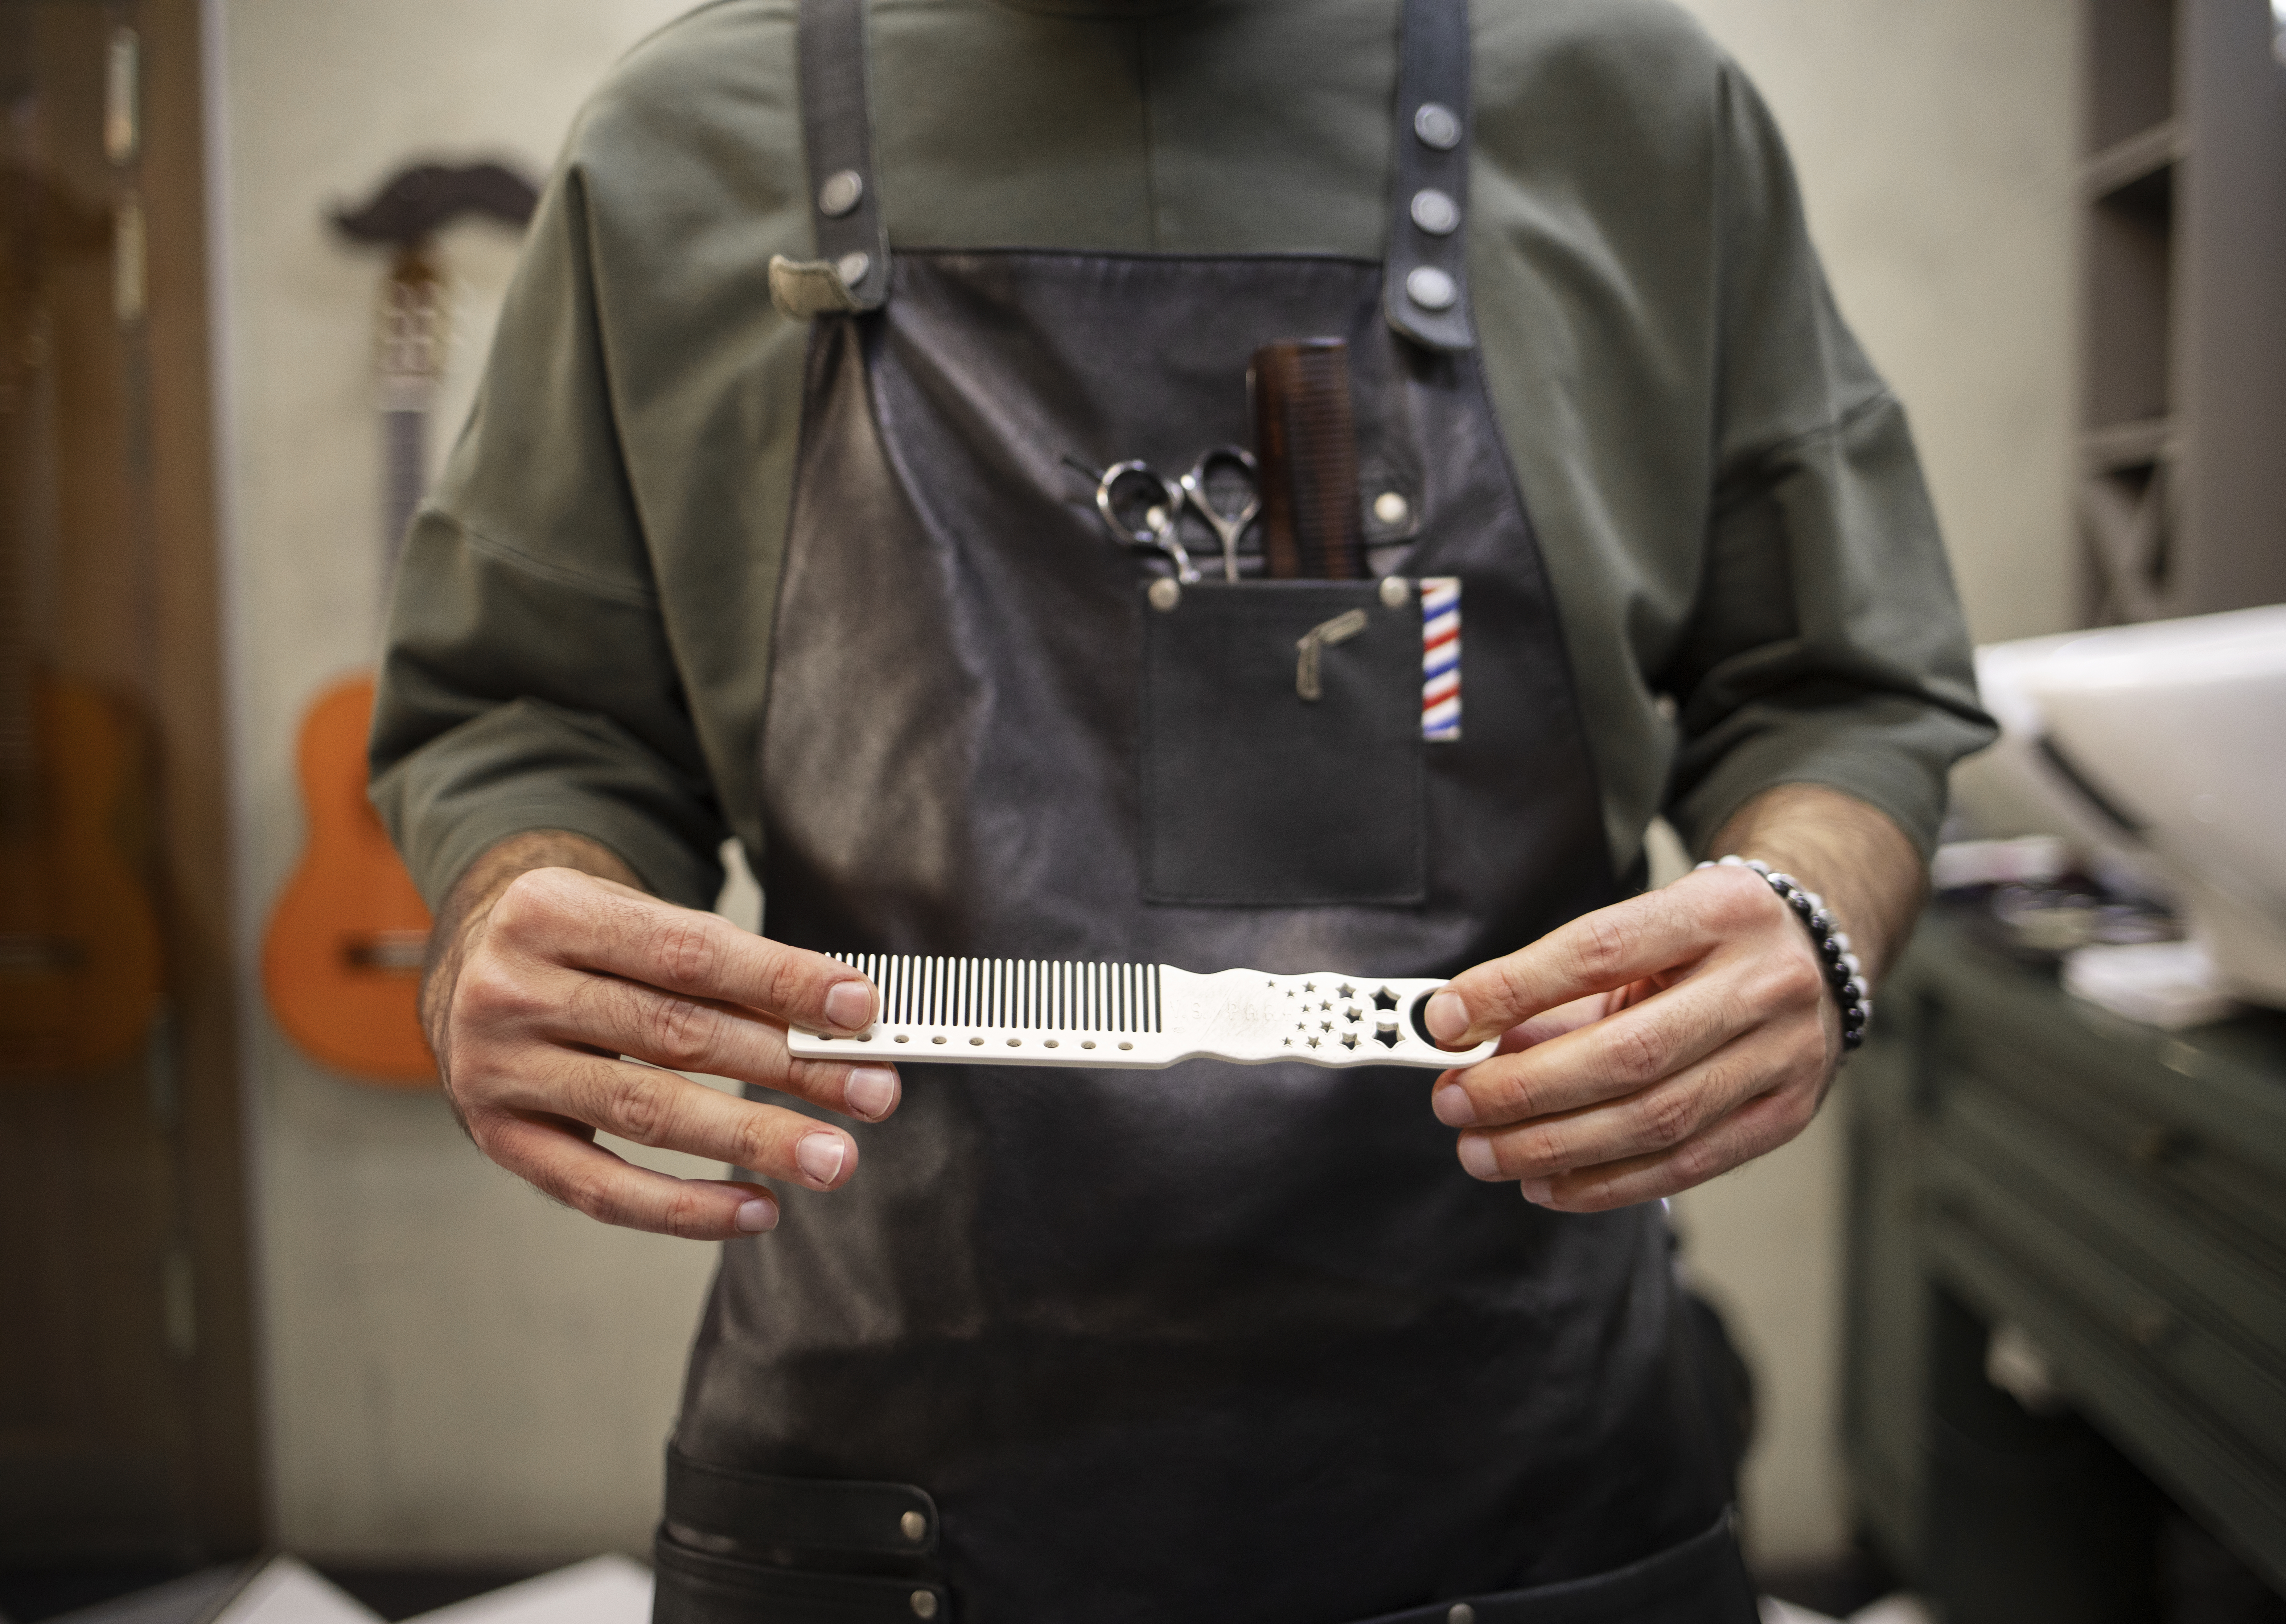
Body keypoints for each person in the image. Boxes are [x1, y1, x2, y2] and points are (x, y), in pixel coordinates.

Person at [372, 0, 1994, 1618]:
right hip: (879, 1499)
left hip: (1535, 1479)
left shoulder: (1638, 108)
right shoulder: (679, 140)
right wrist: (509, 905)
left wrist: (1811, 910)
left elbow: (1843, 686)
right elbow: (531, 716)